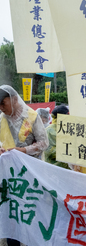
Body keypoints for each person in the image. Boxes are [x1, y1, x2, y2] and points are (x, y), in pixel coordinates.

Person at [0, 85, 49, 246]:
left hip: (30, 176)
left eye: (3, 103)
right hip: (10, 177)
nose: (1, 108)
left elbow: (44, 143)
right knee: (12, 213)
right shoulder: (2, 119)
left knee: (30, 212)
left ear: (14, 99)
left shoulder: (32, 116)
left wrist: (22, 150)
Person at [44, 105, 70, 169]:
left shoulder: (67, 129)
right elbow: (49, 151)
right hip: (54, 168)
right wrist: (69, 152)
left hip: (67, 167)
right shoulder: (50, 130)